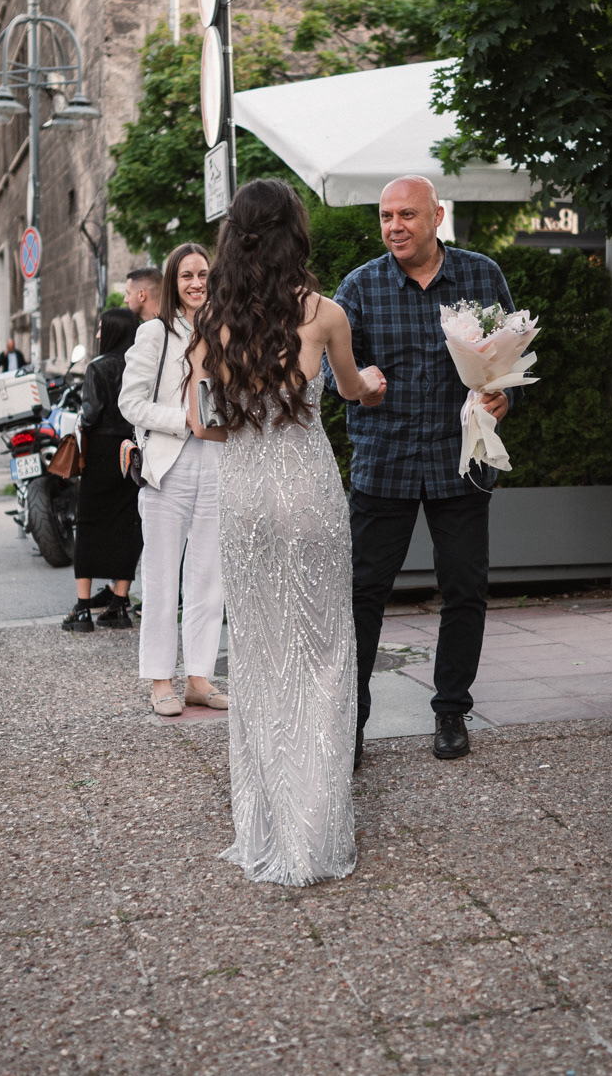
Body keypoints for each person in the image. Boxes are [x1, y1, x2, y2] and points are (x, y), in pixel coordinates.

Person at [187, 179, 382, 886]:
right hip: (306, 491)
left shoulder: (210, 320)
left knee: (261, 654)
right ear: (294, 234)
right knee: (323, 651)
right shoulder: (325, 313)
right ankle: (316, 828)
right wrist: (371, 383)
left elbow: (202, 424)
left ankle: (269, 825)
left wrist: (247, 422)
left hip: (244, 497)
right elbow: (353, 389)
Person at [331, 174, 515, 764]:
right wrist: (360, 383)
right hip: (383, 463)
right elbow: (332, 371)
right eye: (386, 217)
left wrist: (503, 398)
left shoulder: (482, 276)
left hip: (459, 460)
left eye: (407, 215)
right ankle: (351, 723)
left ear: (437, 216)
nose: (394, 227)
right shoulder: (360, 286)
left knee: (464, 589)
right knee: (362, 594)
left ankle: (451, 711)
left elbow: (507, 361)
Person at [119, 242, 226, 717]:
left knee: (208, 578)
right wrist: (183, 419)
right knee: (162, 578)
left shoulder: (226, 330)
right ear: (173, 282)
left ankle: (199, 678)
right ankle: (161, 680)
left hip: (218, 461)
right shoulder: (155, 334)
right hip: (168, 467)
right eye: (187, 276)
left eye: (203, 274)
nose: (196, 283)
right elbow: (130, 403)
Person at [63, 307, 143, 633]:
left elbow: (91, 413)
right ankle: (118, 605)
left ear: (111, 332)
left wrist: (80, 422)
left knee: (89, 523)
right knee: (127, 523)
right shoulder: (142, 365)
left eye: (100, 328)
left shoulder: (98, 367)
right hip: (132, 450)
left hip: (101, 451)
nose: (97, 334)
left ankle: (82, 609)